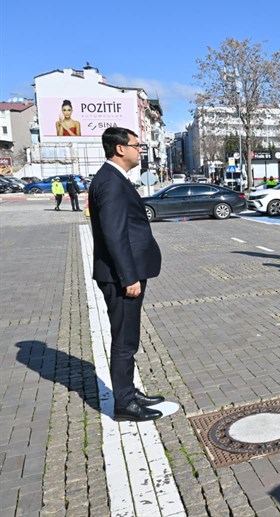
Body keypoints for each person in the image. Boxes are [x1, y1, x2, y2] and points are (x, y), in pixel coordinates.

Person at [89, 127, 164, 422]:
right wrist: (128, 277)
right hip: (121, 277)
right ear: (120, 149)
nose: (139, 150)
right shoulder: (110, 182)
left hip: (122, 272)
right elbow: (115, 234)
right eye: (137, 145)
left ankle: (129, 392)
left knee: (128, 337)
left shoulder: (113, 178)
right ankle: (124, 404)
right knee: (124, 341)